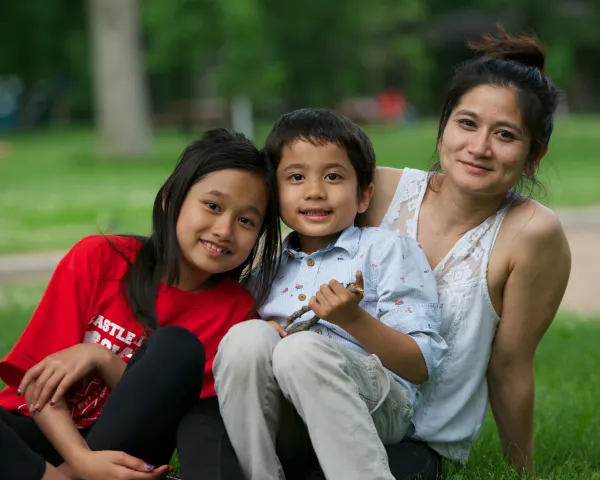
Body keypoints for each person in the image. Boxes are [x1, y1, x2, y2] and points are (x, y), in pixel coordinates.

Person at [305, 26, 571, 480]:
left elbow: (509, 366)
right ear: (443, 124)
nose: (479, 147)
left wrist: (520, 472)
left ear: (534, 155)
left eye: (505, 134)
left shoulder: (531, 233)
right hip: (318, 399)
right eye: (467, 124)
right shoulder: (377, 191)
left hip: (416, 439)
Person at [0, 128, 281, 480]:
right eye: (212, 206)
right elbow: (38, 386)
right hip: (35, 434)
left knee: (175, 347)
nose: (224, 229)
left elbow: (178, 411)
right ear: (169, 199)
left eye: (246, 220)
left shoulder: (235, 316)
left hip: (124, 453)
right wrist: (81, 463)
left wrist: (102, 358)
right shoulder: (99, 259)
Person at [213, 108, 447, 480]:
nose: (315, 191)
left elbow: (419, 366)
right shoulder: (264, 274)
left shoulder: (385, 250)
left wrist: (353, 319)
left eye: (334, 176)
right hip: (291, 419)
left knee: (300, 349)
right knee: (245, 338)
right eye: (296, 177)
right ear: (274, 193)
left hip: (377, 408)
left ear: (364, 195)